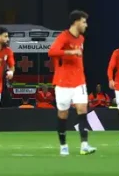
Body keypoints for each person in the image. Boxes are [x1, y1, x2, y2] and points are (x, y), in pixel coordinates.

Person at [47, 10, 96, 156]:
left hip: (79, 81)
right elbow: (52, 52)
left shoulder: (81, 39)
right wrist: (70, 52)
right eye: (84, 22)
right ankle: (63, 145)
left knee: (82, 109)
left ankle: (84, 145)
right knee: (63, 114)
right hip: (63, 82)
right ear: (76, 22)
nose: (86, 25)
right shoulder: (63, 37)